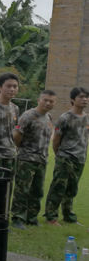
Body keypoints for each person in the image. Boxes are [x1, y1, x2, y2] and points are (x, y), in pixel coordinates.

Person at [11, 90, 56, 228]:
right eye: (45, 100)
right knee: (22, 190)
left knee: (37, 191)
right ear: (38, 100)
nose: (48, 103)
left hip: (41, 160)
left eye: (51, 101)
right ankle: (18, 218)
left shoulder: (49, 117)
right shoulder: (28, 116)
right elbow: (17, 136)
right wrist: (23, 150)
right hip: (27, 159)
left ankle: (31, 217)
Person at [45, 87, 89, 225]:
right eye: (81, 97)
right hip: (65, 157)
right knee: (58, 188)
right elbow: (56, 140)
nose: (85, 99)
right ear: (72, 99)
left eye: (87, 97)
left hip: (80, 159)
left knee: (72, 189)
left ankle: (68, 216)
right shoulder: (65, 118)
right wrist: (60, 156)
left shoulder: (87, 118)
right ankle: (51, 217)